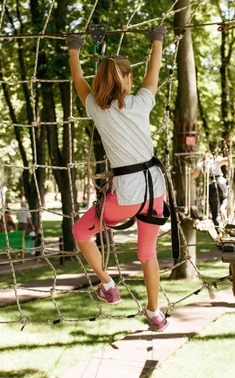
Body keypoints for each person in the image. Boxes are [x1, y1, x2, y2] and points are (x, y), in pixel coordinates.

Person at [66, 25, 169, 331]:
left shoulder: (98, 109)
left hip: (128, 194)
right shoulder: (141, 103)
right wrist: (157, 39)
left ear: (100, 82)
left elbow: (78, 79)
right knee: (147, 253)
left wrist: (74, 47)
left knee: (82, 232)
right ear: (128, 79)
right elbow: (155, 67)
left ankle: (109, 285)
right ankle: (154, 313)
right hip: (155, 189)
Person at [191, 153, 228, 227]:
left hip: (211, 187)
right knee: (224, 198)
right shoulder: (216, 160)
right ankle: (223, 208)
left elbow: (193, 175)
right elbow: (227, 161)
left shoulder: (201, 164)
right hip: (221, 183)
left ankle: (217, 225)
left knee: (214, 208)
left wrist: (190, 172)